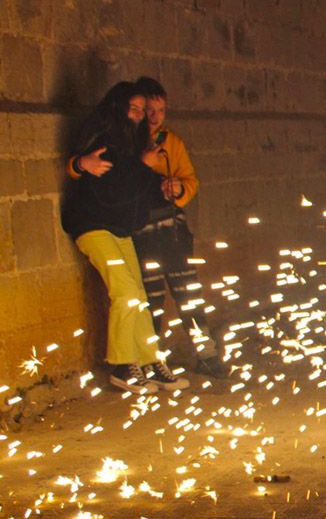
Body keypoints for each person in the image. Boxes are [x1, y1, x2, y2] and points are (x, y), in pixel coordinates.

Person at [70, 78, 227, 379]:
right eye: (143, 110)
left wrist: (176, 189)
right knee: (145, 294)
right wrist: (80, 164)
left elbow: (184, 181)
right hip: (133, 229)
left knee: (181, 292)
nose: (151, 116)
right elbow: (109, 180)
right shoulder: (123, 142)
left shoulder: (169, 143)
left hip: (165, 230)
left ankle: (195, 355)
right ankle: (136, 362)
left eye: (158, 110)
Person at [61, 81, 190, 394]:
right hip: (92, 225)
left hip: (118, 228)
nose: (137, 115)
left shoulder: (133, 146)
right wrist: (84, 164)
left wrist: (162, 190)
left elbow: (136, 188)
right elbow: (113, 189)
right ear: (118, 107)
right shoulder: (105, 140)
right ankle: (122, 367)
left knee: (141, 298)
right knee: (127, 292)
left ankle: (150, 361)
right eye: (132, 109)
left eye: (140, 110)